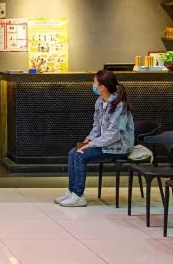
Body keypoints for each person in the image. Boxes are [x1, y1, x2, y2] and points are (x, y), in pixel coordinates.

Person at [56, 70, 135, 207]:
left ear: (102, 87)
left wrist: (92, 144)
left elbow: (114, 134)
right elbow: (97, 126)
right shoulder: (99, 101)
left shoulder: (120, 105)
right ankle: (72, 191)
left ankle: (78, 196)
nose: (92, 85)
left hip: (118, 146)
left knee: (80, 155)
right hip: (105, 143)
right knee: (72, 152)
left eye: (94, 83)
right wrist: (88, 139)